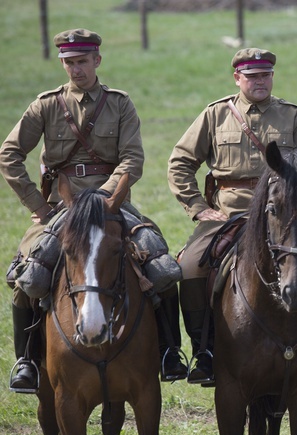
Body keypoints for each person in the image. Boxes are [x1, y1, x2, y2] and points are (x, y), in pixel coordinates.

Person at [0, 28, 188, 392]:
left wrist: (102, 198)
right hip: (59, 207)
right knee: (29, 272)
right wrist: (36, 204)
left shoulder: (119, 103)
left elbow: (132, 159)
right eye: (69, 63)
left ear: (97, 60)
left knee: (162, 266)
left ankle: (168, 351)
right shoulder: (46, 105)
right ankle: (26, 360)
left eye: (82, 62)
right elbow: (9, 155)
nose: (75, 70)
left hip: (112, 203)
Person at [168, 47, 297, 385]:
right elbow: (180, 162)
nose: (259, 81)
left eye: (265, 75)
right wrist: (198, 207)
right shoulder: (216, 115)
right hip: (231, 213)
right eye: (252, 76)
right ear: (237, 78)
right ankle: (203, 351)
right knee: (189, 266)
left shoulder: (291, 115)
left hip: (287, 211)